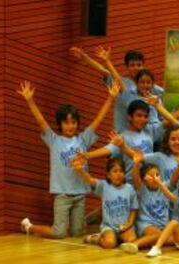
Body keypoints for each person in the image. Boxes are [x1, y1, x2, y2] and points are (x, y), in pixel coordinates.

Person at [18, 80, 119, 238]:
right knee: (59, 233)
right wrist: (30, 100)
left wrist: (110, 99)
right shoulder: (54, 140)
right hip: (62, 194)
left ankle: (89, 218)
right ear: (60, 124)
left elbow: (98, 121)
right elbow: (41, 121)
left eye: (73, 122)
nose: (70, 126)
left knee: (78, 232)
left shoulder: (83, 139)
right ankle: (29, 227)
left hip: (80, 194)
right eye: (66, 122)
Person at [72, 157, 138, 248]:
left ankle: (118, 239)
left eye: (121, 171)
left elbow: (133, 210)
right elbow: (90, 180)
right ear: (108, 175)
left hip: (125, 227)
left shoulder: (129, 188)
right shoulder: (104, 186)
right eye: (115, 171)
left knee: (132, 241)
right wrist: (80, 170)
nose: (118, 174)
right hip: (109, 227)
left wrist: (128, 224)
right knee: (110, 244)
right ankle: (96, 238)